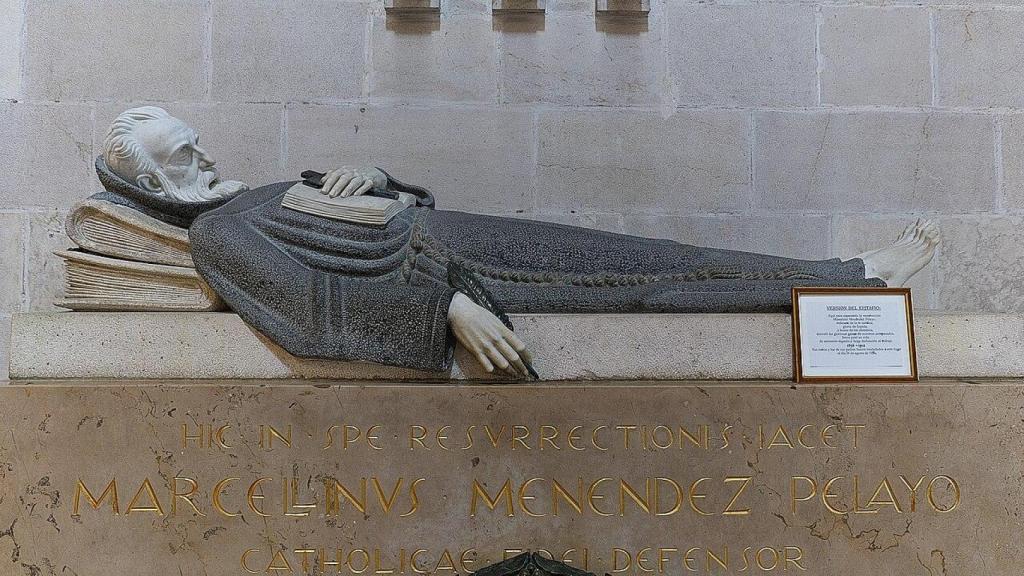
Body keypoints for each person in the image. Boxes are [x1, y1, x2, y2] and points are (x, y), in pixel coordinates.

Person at [96, 106, 940, 377]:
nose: (203, 158)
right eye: (182, 158)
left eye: (194, 143)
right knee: (650, 273)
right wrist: (451, 304)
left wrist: (374, 176)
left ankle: (848, 274)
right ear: (153, 185)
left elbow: (382, 209)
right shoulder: (219, 235)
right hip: (455, 270)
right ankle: (853, 276)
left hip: (443, 237)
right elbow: (314, 311)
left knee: (643, 256)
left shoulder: (256, 197)